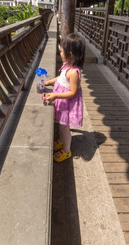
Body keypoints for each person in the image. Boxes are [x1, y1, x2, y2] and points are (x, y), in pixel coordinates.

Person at [43, 33, 85, 162]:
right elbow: (61, 79)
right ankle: (61, 142)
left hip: (67, 105)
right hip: (62, 103)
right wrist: (49, 82)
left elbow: (72, 92)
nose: (60, 53)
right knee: (61, 127)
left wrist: (55, 95)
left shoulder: (74, 72)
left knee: (64, 128)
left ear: (70, 54)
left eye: (61, 51)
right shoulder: (67, 66)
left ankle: (66, 151)